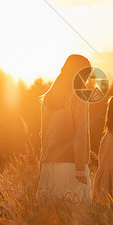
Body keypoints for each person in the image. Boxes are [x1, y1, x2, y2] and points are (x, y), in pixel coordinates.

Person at [37, 54, 92, 200]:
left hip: (49, 164)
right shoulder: (79, 95)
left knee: (50, 216)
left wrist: (43, 164)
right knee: (76, 214)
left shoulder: (48, 97)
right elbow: (81, 133)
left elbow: (44, 134)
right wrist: (80, 167)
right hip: (71, 164)